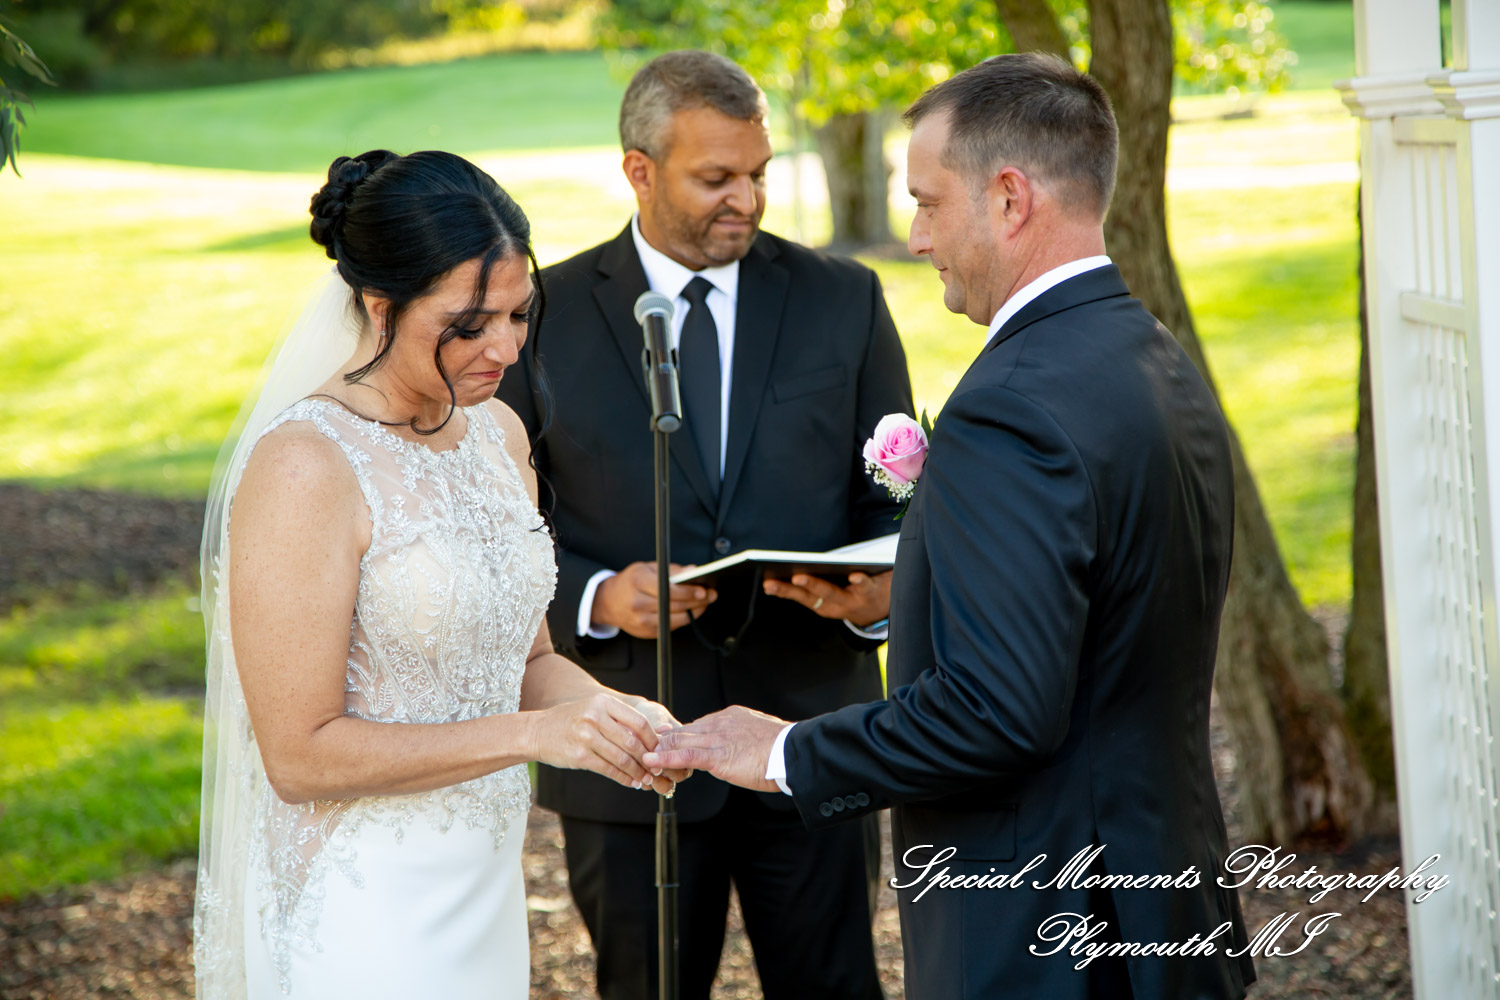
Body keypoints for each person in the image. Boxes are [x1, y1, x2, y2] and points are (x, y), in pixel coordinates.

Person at [645, 52, 1259, 1000]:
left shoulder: (1010, 406)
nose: (918, 236)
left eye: (928, 202)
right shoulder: (1150, 356)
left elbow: (995, 714)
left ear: (1009, 198)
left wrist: (778, 752)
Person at [194, 149, 685, 1000]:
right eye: (468, 323)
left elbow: (526, 664)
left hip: (481, 885)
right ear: (381, 306)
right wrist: (533, 739)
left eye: (518, 315)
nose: (504, 346)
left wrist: (610, 717)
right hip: (362, 900)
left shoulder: (496, 436)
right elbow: (299, 756)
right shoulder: (307, 466)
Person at [495, 50, 912, 1000]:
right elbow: (506, 525)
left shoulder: (843, 300)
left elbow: (892, 504)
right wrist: (599, 597)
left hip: (810, 732)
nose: (748, 200)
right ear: (639, 169)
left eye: (759, 174)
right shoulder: (541, 314)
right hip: (622, 744)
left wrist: (873, 597)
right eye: (716, 178)